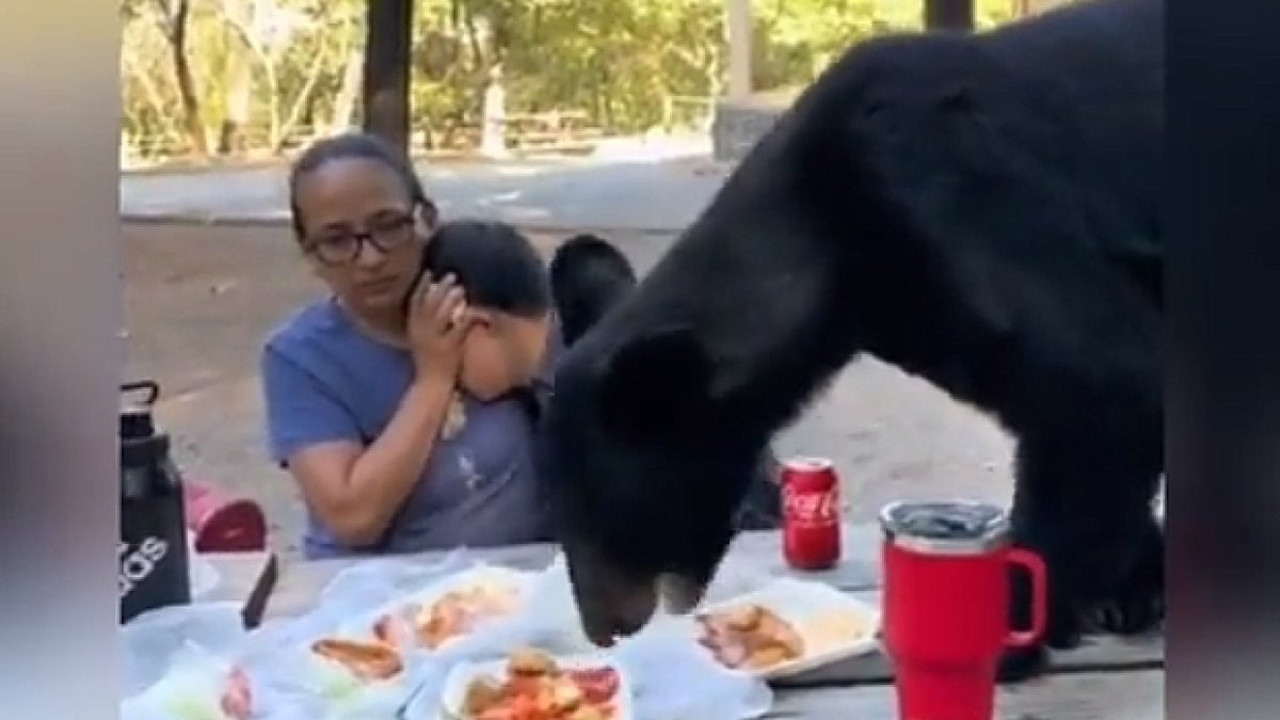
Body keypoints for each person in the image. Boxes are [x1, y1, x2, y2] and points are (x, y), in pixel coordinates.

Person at [260, 133, 556, 559]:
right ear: (310, 255)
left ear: (426, 219)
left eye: (388, 226)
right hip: (382, 603)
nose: (370, 258)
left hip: (523, 589)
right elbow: (352, 517)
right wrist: (433, 380)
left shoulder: (485, 290)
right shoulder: (300, 358)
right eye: (337, 241)